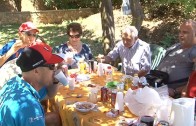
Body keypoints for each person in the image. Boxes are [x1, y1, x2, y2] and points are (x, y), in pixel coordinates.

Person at [0, 42, 63, 126]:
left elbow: (49, 95)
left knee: (54, 118)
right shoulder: (29, 106)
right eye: (51, 66)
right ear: (36, 71)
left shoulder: (15, 81)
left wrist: (55, 81)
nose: (55, 69)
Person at [156, 19, 196, 98]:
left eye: (185, 32)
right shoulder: (175, 46)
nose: (180, 35)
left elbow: (194, 82)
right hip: (157, 84)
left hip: (171, 94)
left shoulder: (194, 51)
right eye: (180, 31)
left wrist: (176, 91)